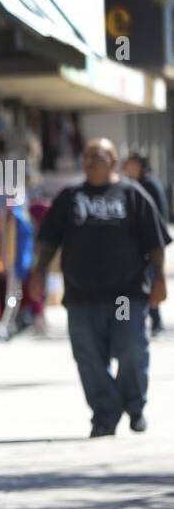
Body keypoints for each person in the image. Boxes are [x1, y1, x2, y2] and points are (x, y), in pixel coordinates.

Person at [28, 138, 168, 436]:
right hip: (82, 296)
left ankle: (134, 405)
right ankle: (104, 414)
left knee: (130, 347)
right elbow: (49, 239)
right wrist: (38, 272)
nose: (91, 161)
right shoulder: (70, 196)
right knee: (89, 358)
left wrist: (159, 278)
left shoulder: (132, 194)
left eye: (99, 156)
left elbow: (155, 243)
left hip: (123, 296)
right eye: (87, 156)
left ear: (113, 161)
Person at [123, 151, 170, 335]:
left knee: (151, 280)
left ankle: (155, 320)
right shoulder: (133, 184)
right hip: (137, 246)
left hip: (149, 245)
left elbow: (157, 217)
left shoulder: (149, 185)